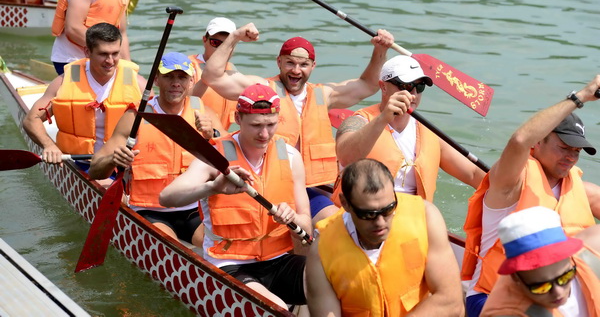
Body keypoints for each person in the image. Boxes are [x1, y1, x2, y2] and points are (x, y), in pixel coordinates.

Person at [201, 22, 393, 221]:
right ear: (279, 62)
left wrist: (380, 50)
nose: (296, 70)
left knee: (341, 221)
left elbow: (368, 85)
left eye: (303, 65)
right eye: (290, 63)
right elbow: (212, 76)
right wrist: (235, 36)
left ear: (313, 66)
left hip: (315, 187)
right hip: (271, 187)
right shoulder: (261, 89)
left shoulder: (323, 95)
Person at [159, 83, 311, 309]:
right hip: (229, 263)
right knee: (276, 307)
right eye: (256, 125)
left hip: (278, 259)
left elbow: (306, 223)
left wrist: (293, 219)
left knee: (339, 283)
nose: (264, 134)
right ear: (238, 118)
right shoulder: (214, 155)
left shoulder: (291, 156)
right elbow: (167, 198)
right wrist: (213, 188)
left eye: (271, 125)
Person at [462, 76, 600, 317]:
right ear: (538, 142)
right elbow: (519, 141)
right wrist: (582, 96)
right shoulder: (510, 183)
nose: (571, 157)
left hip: (559, 289)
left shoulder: (581, 189)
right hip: (493, 296)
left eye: (576, 151)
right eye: (564, 147)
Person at [88, 52, 224, 246]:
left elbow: (233, 162)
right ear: (157, 80)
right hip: (149, 210)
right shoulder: (136, 116)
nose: (176, 83)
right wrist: (114, 160)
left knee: (216, 246)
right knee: (172, 246)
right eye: (168, 76)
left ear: (191, 81)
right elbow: (94, 169)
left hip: (193, 209)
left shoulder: (203, 112)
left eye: (182, 77)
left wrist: (214, 136)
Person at [305, 158, 464, 316]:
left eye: (388, 209)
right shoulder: (321, 253)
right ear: (345, 204)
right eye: (369, 214)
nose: (380, 222)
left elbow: (451, 302)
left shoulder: (426, 217)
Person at [333, 55, 485, 203]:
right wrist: (383, 118)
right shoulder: (359, 122)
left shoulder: (429, 134)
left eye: (419, 87)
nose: (413, 94)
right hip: (368, 216)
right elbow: (346, 157)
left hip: (413, 217)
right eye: (406, 86)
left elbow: (472, 174)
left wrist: (504, 185)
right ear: (383, 87)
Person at [23, 22, 145, 168]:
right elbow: (31, 119)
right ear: (87, 52)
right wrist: (50, 146)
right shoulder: (64, 82)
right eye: (103, 54)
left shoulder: (139, 84)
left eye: (115, 53)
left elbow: (159, 126)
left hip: (124, 163)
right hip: (80, 162)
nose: (110, 61)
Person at [481, 206, 600, 317]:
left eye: (565, 277)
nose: (558, 292)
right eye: (541, 287)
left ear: (570, 258)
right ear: (515, 278)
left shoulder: (590, 251)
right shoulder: (505, 313)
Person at [189, 17, 238, 131]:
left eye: (227, 44)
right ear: (204, 40)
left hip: (219, 138)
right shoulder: (187, 67)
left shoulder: (233, 70)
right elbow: (181, 103)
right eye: (215, 43)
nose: (221, 49)